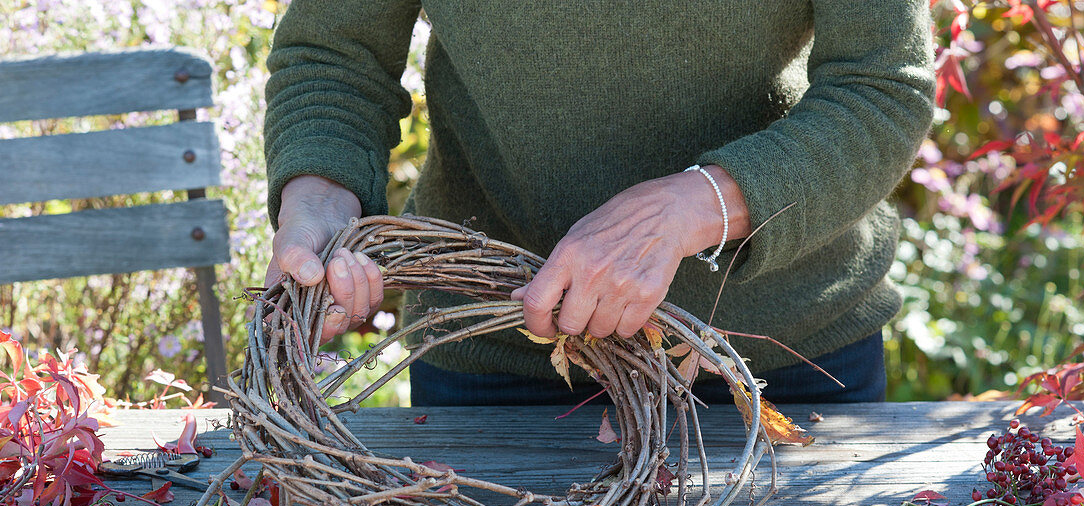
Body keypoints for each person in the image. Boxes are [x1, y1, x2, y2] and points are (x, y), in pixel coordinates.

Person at [262, 1, 935, 406]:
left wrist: (690, 207)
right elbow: (335, 56)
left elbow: (881, 90)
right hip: (496, 360)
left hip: (780, 360)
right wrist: (318, 198)